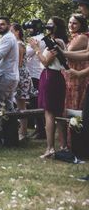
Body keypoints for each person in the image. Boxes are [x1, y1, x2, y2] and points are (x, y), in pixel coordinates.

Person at [29, 17, 68, 158]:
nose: (48, 25)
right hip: (56, 76)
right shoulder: (57, 41)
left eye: (51, 23)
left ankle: (50, 148)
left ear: (57, 26)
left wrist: (36, 49)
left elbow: (45, 62)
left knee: (50, 113)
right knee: (58, 112)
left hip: (50, 76)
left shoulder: (56, 42)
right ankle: (63, 146)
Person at [11, 23, 33, 141]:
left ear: (17, 32)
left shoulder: (19, 44)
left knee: (21, 104)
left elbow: (18, 64)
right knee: (19, 103)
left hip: (20, 75)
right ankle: (20, 130)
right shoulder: (15, 44)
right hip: (18, 74)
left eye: (11, 31)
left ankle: (23, 132)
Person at [24, 19, 46, 138]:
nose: (28, 31)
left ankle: (41, 130)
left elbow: (26, 53)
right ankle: (39, 129)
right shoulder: (42, 37)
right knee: (34, 102)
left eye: (30, 28)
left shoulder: (37, 39)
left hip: (35, 74)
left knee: (35, 103)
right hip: (37, 72)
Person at [63, 14, 88, 111]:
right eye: (69, 22)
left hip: (79, 73)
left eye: (74, 23)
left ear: (81, 25)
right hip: (71, 73)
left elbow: (69, 50)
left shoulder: (82, 37)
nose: (71, 25)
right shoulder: (74, 37)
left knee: (75, 102)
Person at [0, 17, 19, 113]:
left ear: (9, 26)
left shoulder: (8, 38)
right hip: (10, 75)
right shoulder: (7, 37)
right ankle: (11, 127)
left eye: (2, 24)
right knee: (9, 105)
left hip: (5, 76)